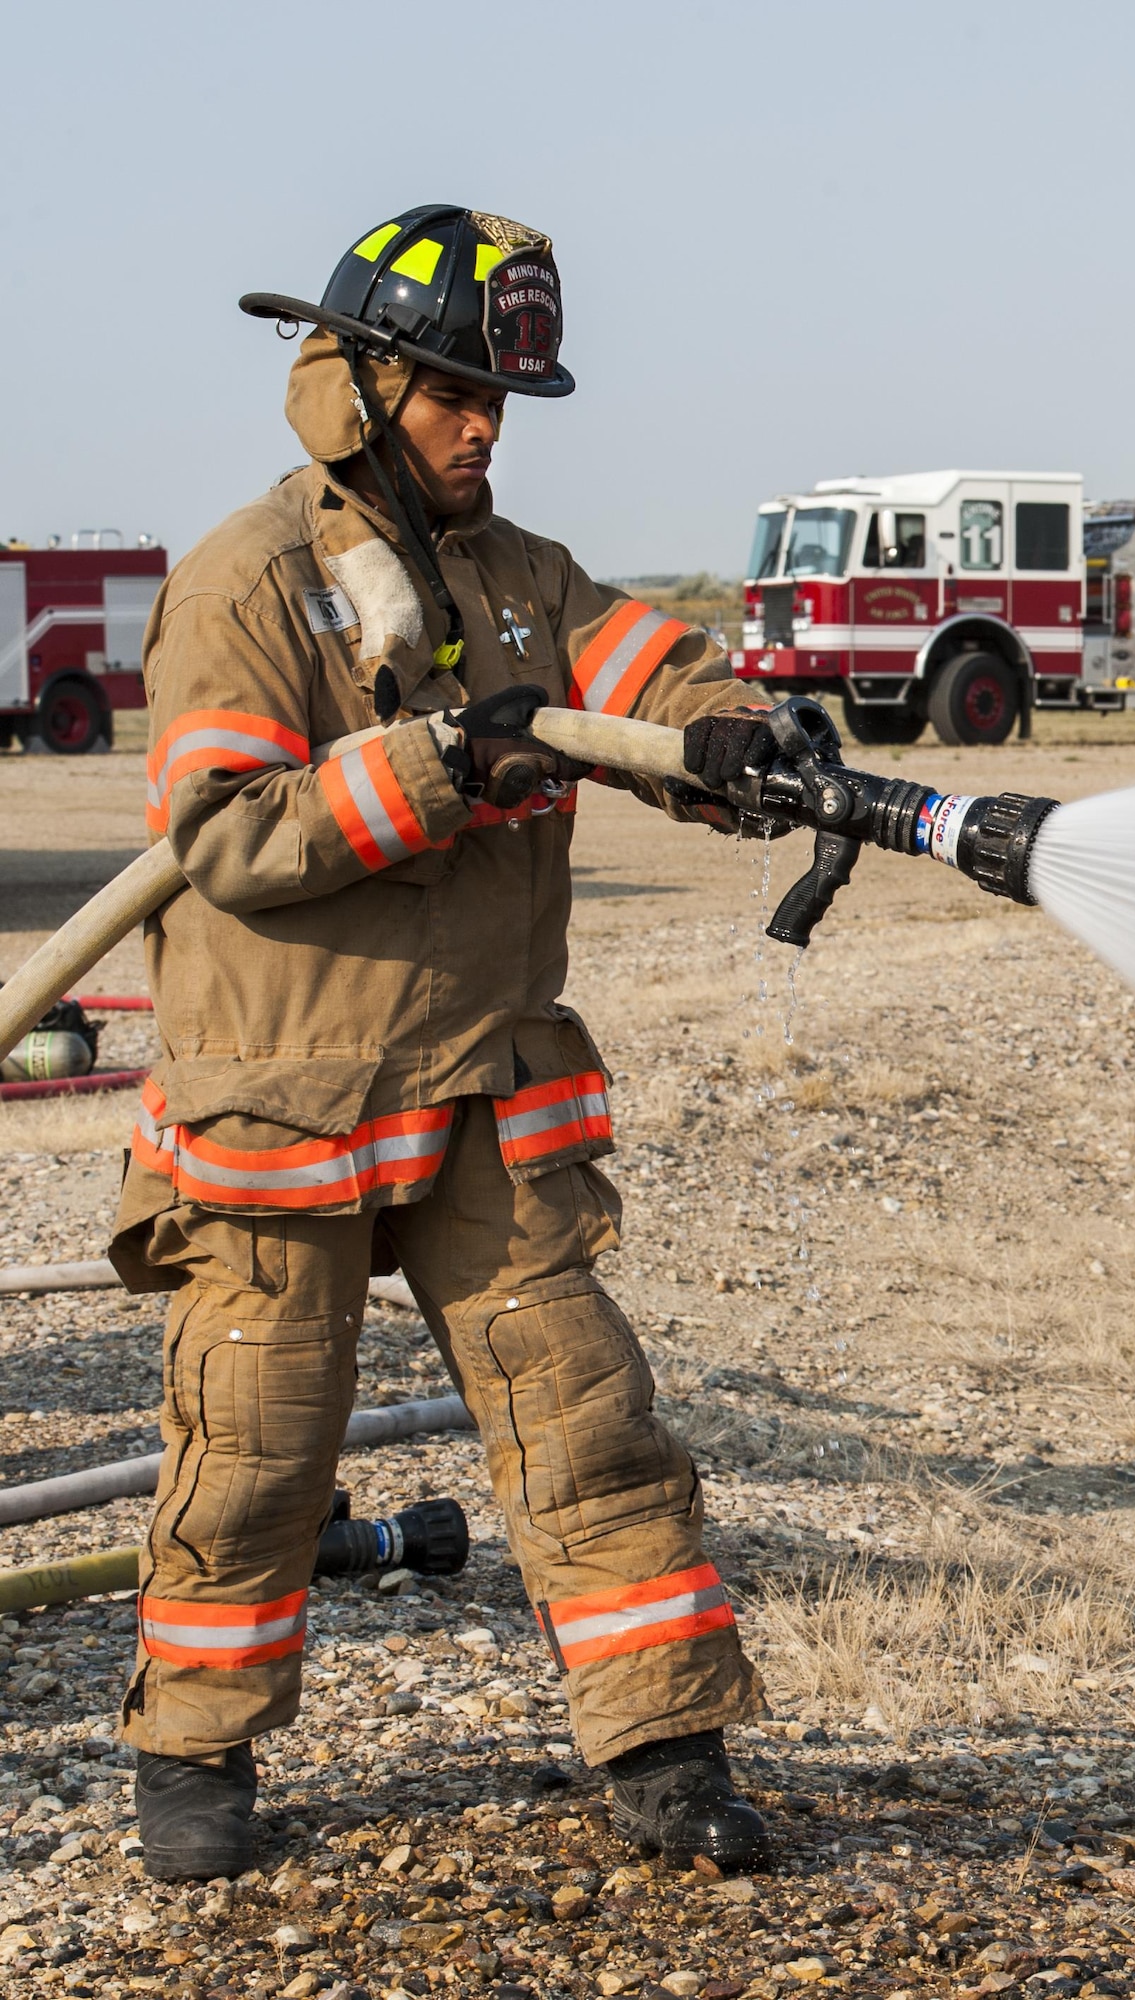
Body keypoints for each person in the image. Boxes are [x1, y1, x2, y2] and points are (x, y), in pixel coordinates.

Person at [109, 204, 783, 1883]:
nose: (484, 426)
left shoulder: (518, 579)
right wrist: (440, 767)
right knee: (255, 1449)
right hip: (284, 1109)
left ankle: (665, 1753)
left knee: (587, 1420)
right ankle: (193, 1758)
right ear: (359, 387)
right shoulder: (246, 581)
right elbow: (230, 835)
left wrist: (743, 734)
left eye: (503, 399)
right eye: (455, 394)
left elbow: (655, 675)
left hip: (483, 1090)